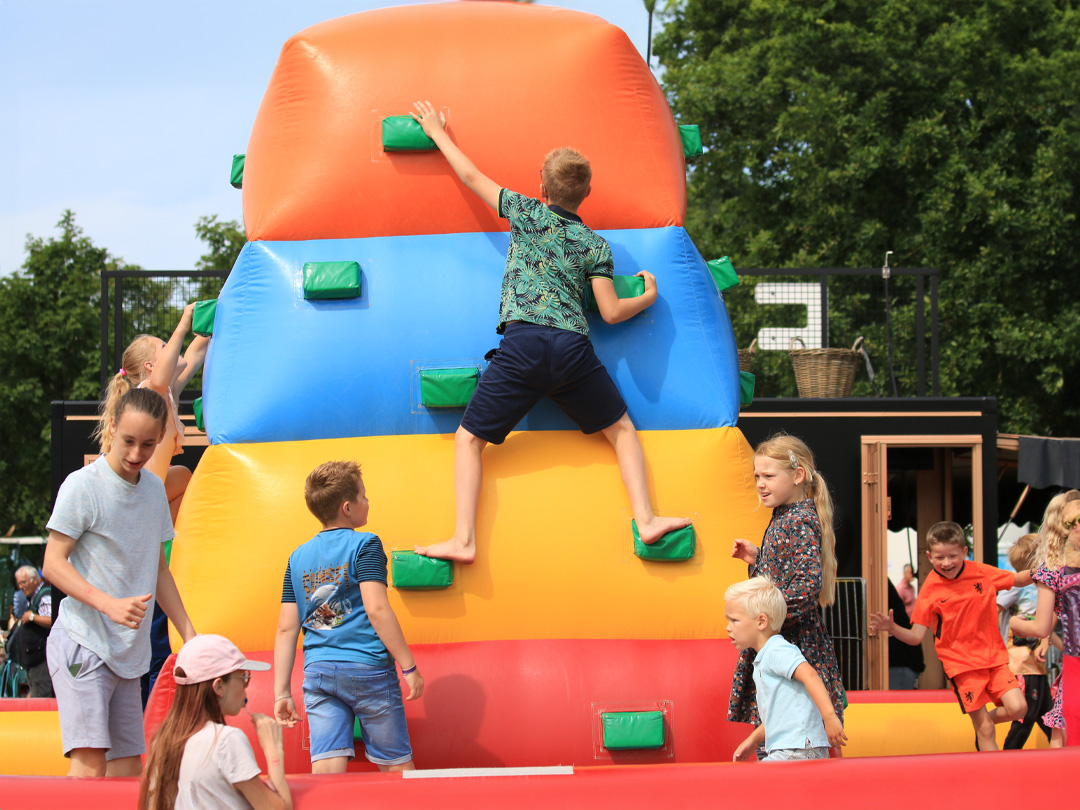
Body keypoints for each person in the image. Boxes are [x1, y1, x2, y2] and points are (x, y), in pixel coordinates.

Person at [408, 100, 690, 564]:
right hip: (571, 349)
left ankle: (463, 538)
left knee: (468, 440)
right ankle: (647, 518)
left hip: (524, 345)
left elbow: (472, 178)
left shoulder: (527, 212)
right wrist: (648, 297)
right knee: (621, 430)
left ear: (541, 187)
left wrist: (438, 132)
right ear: (588, 192)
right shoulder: (595, 244)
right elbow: (612, 312)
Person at [44, 387, 197, 776]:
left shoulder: (151, 491)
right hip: (83, 642)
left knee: (128, 771)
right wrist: (108, 603)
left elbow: (158, 570)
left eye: (147, 444)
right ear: (112, 426)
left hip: (128, 656)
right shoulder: (83, 486)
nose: (136, 454)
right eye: (128, 441)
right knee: (91, 767)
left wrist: (190, 634)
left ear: (161, 438)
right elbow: (52, 564)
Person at [273, 461, 423, 773]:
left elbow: (286, 629)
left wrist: (281, 692)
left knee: (327, 769)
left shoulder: (297, 557)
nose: (367, 502)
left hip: (318, 674)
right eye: (363, 496)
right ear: (347, 507)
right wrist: (408, 666)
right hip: (367, 669)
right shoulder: (365, 544)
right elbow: (377, 609)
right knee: (396, 767)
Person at [728, 434, 846, 757]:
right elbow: (780, 579)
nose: (760, 484)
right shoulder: (783, 517)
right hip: (782, 635)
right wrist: (759, 559)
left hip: (794, 639)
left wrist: (765, 618)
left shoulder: (798, 520)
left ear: (797, 475)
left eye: (769, 476)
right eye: (756, 477)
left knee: (797, 720)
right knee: (781, 716)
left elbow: (806, 587)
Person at [870, 520, 1030, 751]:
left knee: (1019, 709)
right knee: (985, 730)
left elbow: (1019, 579)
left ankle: (985, 724)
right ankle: (992, 769)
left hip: (994, 658)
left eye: (953, 556)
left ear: (964, 552)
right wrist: (893, 628)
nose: (947, 563)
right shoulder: (930, 589)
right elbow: (916, 637)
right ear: (929, 556)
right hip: (962, 666)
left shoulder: (981, 572)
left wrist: (1046, 572)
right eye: (939, 558)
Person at [138, 634, 291, 810]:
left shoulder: (162, 740)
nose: (246, 687)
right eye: (244, 678)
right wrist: (274, 750)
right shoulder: (226, 740)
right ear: (219, 687)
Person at [94, 301, 209, 523]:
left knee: (183, 476)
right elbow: (159, 378)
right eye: (165, 347)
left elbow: (195, 354)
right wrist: (184, 323)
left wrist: (220, 312)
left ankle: (168, 538)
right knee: (182, 475)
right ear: (150, 366)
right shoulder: (148, 393)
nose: (172, 347)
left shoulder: (168, 392)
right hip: (131, 494)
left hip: (147, 491)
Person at [727, 577, 847, 761]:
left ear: (761, 622)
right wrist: (753, 740)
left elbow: (811, 676)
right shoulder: (765, 657)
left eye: (734, 620)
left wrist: (830, 718)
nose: (728, 628)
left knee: (751, 785)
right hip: (791, 747)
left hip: (799, 748)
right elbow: (779, 716)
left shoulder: (777, 650)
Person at [1009, 498, 1080, 748]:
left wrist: (1016, 625)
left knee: (1062, 732)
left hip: (1075, 664)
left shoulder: (1052, 570)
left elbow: (1041, 626)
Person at [13, 565, 54, 697]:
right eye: (19, 583)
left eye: (23, 582)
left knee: (42, 701)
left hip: (42, 661)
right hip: (35, 662)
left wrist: (31, 617)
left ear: (35, 580)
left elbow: (51, 620)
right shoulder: (33, 598)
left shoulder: (45, 594)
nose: (21, 587)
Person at [886, 578, 924, 690]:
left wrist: (891, 627)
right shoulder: (894, 589)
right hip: (905, 660)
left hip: (899, 663)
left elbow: (916, 637)